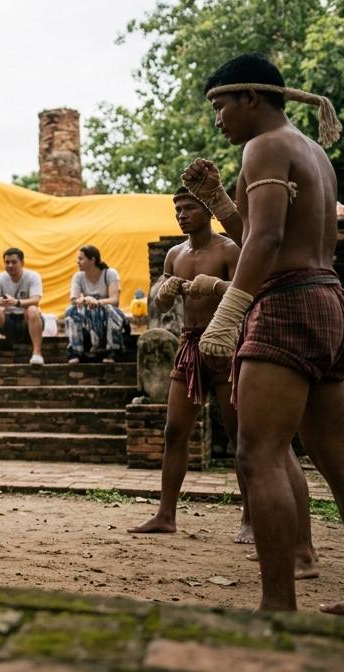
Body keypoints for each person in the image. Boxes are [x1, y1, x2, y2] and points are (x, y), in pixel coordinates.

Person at [183, 53, 344, 618]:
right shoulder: (311, 151)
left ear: (251, 97)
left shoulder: (265, 145)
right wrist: (222, 202)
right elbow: (259, 230)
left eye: (221, 105)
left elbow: (268, 239)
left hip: (288, 305)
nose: (219, 120)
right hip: (329, 300)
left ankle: (277, 607)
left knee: (259, 455)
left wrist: (230, 311)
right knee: (338, 459)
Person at [130, 188, 252, 540]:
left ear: (207, 211)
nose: (181, 215)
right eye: (177, 209)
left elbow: (249, 292)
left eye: (189, 209)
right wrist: (165, 294)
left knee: (238, 435)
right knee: (174, 430)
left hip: (226, 343)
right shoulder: (174, 254)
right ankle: (166, 514)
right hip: (190, 343)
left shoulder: (229, 248)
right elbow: (164, 307)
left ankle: (250, 517)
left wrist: (215, 288)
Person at [0, 247, 44, 366]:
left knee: (33, 309)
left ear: (22, 263)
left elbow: (36, 300)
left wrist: (16, 302)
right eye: (7, 262)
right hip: (8, 322)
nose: (10, 265)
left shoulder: (33, 276)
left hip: (27, 321)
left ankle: (37, 354)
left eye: (14, 262)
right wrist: (0, 301)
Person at [63, 245, 128, 363]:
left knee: (110, 309)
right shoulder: (78, 276)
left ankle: (113, 351)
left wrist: (97, 302)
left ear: (92, 260)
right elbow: (74, 299)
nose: (78, 262)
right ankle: (76, 352)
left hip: (109, 314)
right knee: (71, 311)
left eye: (81, 259)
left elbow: (115, 300)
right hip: (89, 316)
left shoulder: (110, 273)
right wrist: (85, 300)